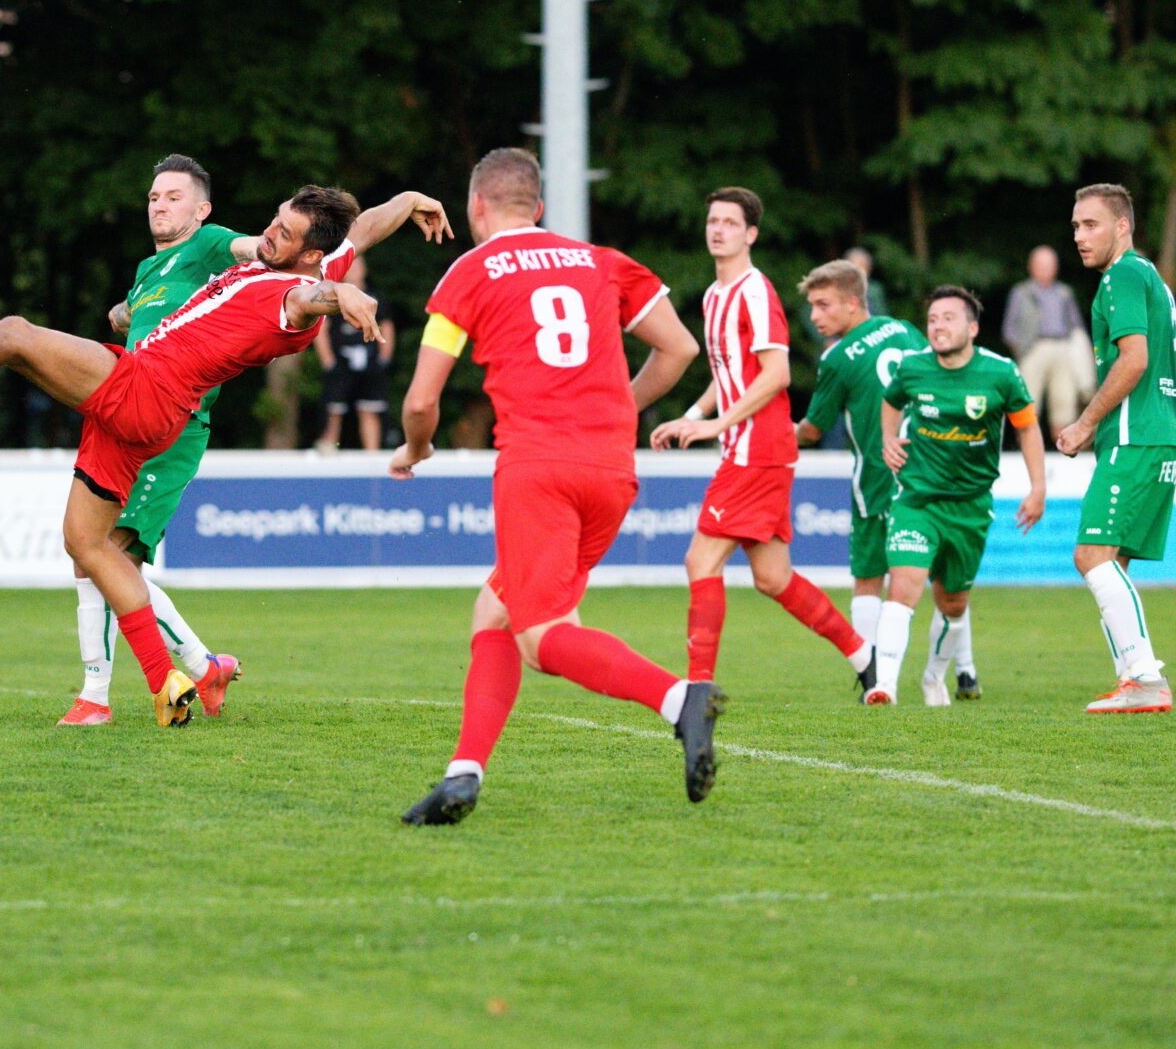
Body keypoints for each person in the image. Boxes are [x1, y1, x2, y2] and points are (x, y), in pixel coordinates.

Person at [0, 182, 446, 726]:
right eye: (275, 220)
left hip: (147, 387)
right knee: (86, 546)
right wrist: (414, 198)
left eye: (284, 235)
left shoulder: (292, 293)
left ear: (312, 256)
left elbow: (312, 297)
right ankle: (166, 682)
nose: (269, 234)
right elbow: (364, 227)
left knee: (16, 335)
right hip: (153, 411)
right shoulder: (308, 259)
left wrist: (340, 293)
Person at [389, 148, 717, 822]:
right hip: (610, 468)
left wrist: (416, 446)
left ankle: (680, 698)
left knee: (541, 637)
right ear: (537, 207)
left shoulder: (471, 269)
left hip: (538, 468)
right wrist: (619, 406)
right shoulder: (600, 259)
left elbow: (422, 400)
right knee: (496, 610)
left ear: (478, 206)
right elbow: (681, 347)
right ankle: (463, 773)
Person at [60, 155, 279, 725]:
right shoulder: (148, 268)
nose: (160, 204)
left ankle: (97, 698)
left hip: (175, 428)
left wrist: (276, 247)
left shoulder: (209, 243)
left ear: (201, 209)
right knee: (97, 558)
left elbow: (254, 249)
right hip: (126, 422)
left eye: (174, 197)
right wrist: (122, 310)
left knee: (107, 556)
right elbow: (136, 312)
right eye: (155, 196)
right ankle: (203, 668)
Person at [650, 188, 877, 695]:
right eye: (713, 220)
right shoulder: (713, 296)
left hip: (760, 447)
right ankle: (865, 656)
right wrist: (692, 416)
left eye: (730, 222)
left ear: (750, 234)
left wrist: (714, 425)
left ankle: (699, 690)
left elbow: (775, 375)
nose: (718, 229)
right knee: (773, 578)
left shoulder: (755, 290)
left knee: (699, 561)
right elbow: (729, 372)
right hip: (750, 446)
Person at [877, 287, 1046, 705]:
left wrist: (1038, 486)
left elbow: (1026, 427)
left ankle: (935, 677)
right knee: (902, 587)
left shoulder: (1001, 373)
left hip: (970, 507)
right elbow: (890, 401)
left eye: (948, 318)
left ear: (972, 328)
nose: (937, 326)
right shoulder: (913, 368)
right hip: (917, 500)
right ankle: (884, 687)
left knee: (953, 603)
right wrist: (887, 438)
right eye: (932, 319)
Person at [1055, 184, 1176, 714]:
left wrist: (1085, 423)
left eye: (1092, 225)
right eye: (1076, 227)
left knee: (1090, 555)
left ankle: (1146, 680)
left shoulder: (1122, 275)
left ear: (1123, 226)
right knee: (1113, 564)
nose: (1081, 237)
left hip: (1135, 435)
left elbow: (1133, 359)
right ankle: (1133, 680)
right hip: (1159, 435)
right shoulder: (1150, 276)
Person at [794, 261, 924, 663]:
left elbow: (814, 430)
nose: (814, 316)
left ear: (853, 303)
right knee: (945, 580)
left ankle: (870, 667)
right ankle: (965, 672)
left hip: (878, 473)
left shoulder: (838, 357)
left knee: (869, 574)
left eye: (823, 305)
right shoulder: (903, 328)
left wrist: (774, 433)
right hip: (928, 467)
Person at [1004, 245, 1093, 434]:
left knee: (1064, 403)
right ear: (1032, 267)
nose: (1046, 269)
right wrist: (1022, 352)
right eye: (1041, 265)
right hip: (1033, 349)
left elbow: (1077, 327)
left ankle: (1064, 452)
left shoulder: (1064, 293)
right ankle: (1026, 454)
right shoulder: (1021, 292)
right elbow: (1010, 329)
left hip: (1062, 348)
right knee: (1027, 404)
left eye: (1050, 265)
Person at [314, 255, 396, 452]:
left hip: (369, 359)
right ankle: (328, 449)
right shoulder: (332, 299)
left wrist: (384, 357)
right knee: (333, 407)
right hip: (341, 361)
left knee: (370, 407)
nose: (354, 270)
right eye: (351, 267)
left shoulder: (375, 299)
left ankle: (372, 455)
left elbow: (387, 326)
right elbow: (321, 328)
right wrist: (328, 360)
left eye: (358, 266)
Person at [844, 246, 891, 317]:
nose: (861, 271)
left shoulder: (875, 289)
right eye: (857, 266)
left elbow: (883, 313)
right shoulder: (839, 289)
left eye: (864, 266)